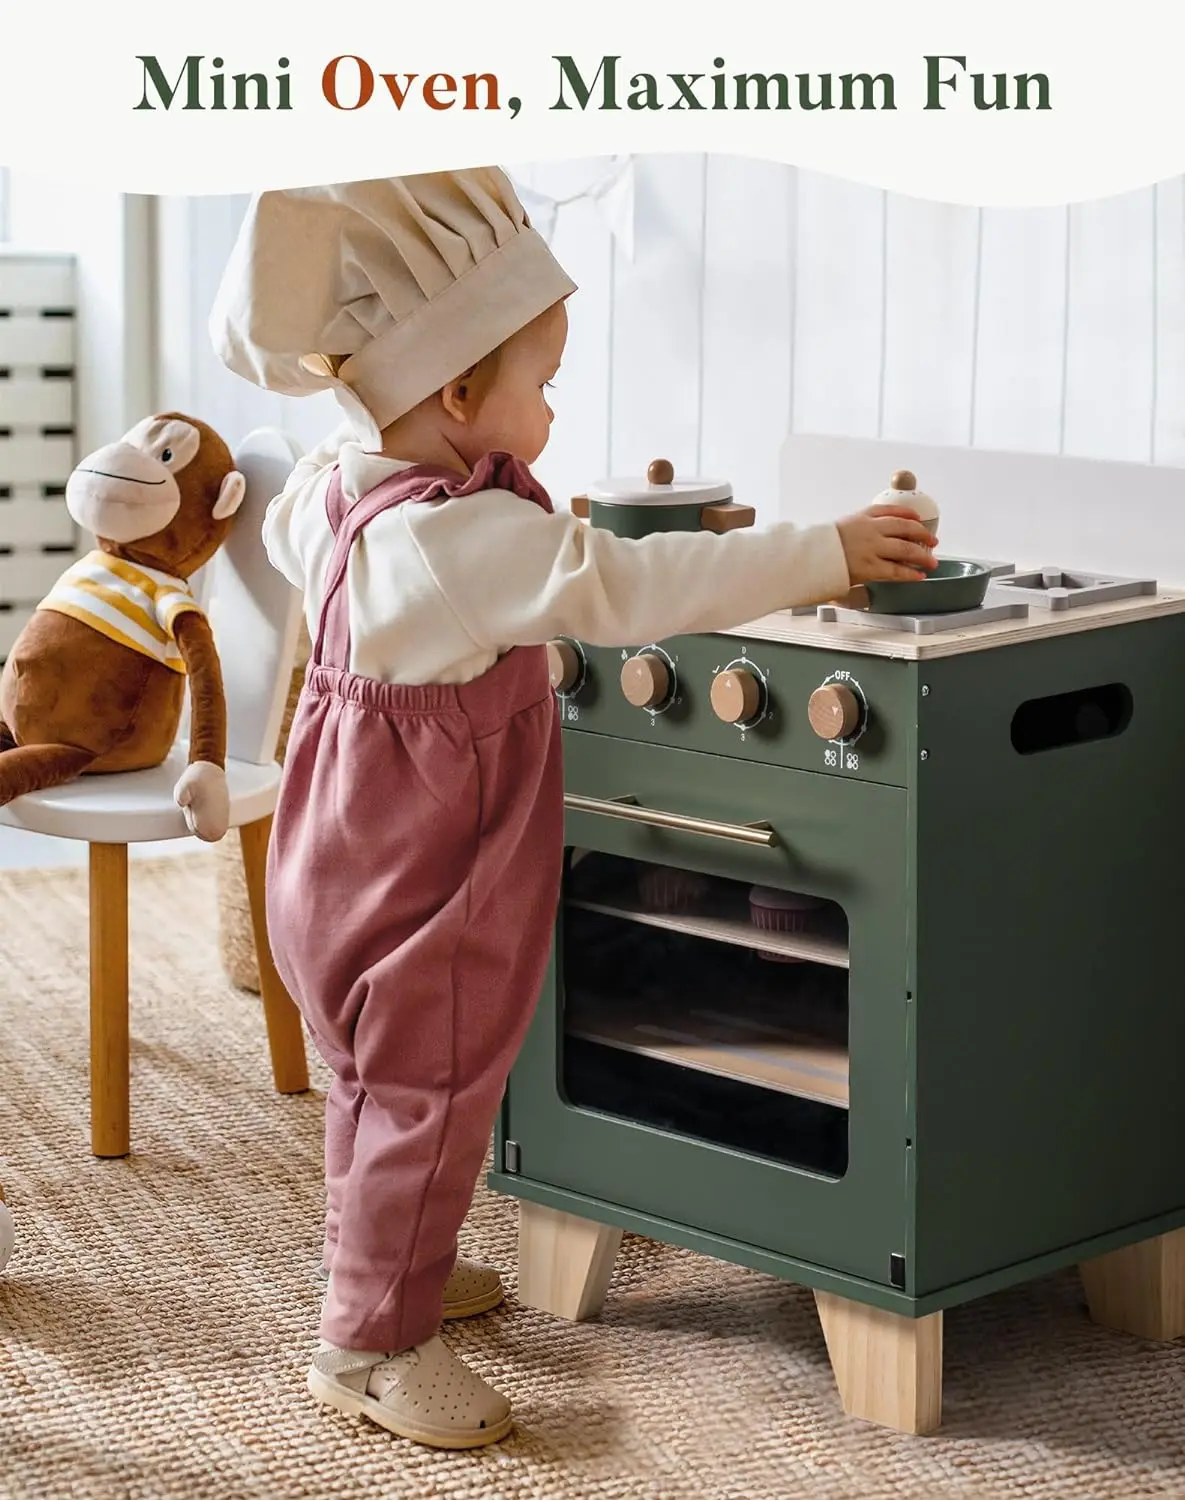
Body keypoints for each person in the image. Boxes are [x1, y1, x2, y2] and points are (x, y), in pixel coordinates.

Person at [209, 168, 936, 1452]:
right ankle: (369, 1348)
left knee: (375, 1096)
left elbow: (315, 551)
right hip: (429, 889)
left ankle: (390, 1271)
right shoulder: (459, 541)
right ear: (453, 396)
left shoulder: (340, 494)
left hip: (328, 867)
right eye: (542, 386)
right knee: (426, 1098)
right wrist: (828, 549)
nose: (553, 407)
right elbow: (629, 583)